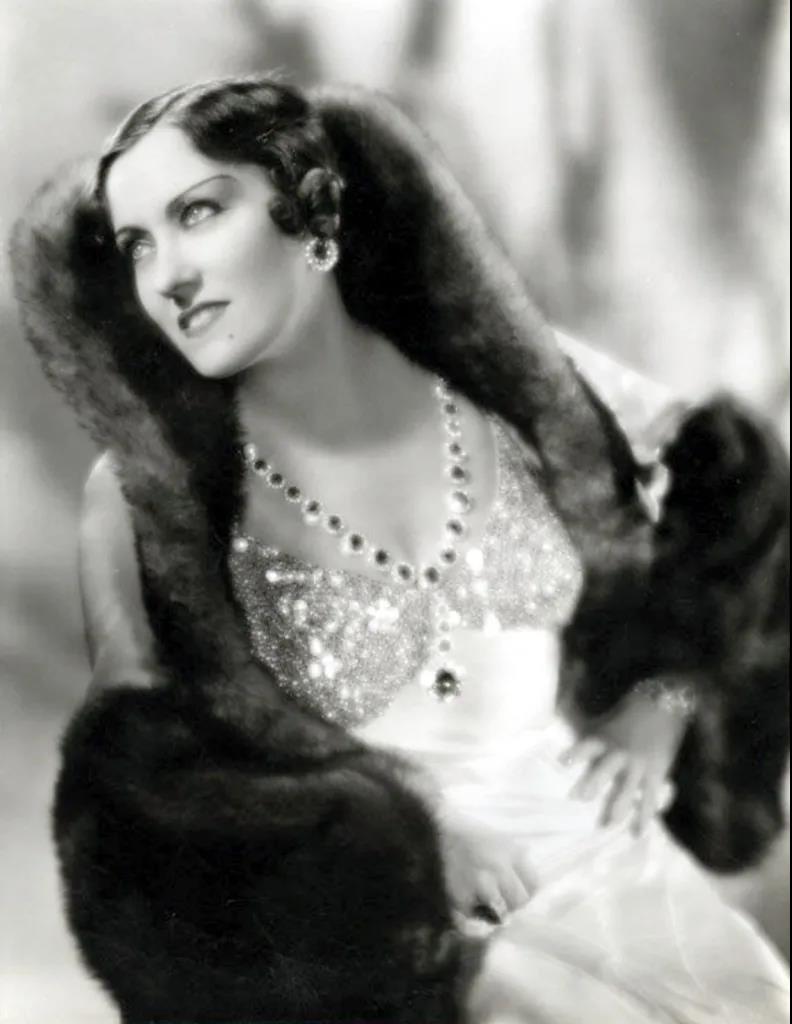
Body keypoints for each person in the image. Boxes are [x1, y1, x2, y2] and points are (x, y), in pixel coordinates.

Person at [12, 74, 790, 1023]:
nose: (165, 274)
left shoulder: (519, 384)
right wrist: (407, 858)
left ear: (313, 210)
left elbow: (736, 502)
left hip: (619, 879)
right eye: (138, 243)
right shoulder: (146, 490)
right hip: (394, 949)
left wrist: (668, 699)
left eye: (197, 213)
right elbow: (144, 780)